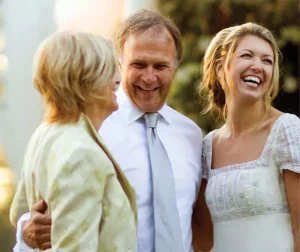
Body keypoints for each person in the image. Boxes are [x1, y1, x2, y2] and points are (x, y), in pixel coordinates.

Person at [12, 9, 203, 252]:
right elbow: (31, 213)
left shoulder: (192, 135)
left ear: (175, 66)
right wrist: (27, 233)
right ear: (120, 63)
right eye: (139, 64)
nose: (149, 77)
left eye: (160, 66)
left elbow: (196, 224)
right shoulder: (79, 130)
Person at [10, 30, 137, 251]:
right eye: (108, 70)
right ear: (87, 79)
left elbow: (19, 214)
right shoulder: (81, 152)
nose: (118, 80)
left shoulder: (45, 134)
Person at [193, 22, 300, 252]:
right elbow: (203, 239)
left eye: (267, 61)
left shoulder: (287, 130)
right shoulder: (208, 146)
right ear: (222, 68)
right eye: (247, 55)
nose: (257, 66)